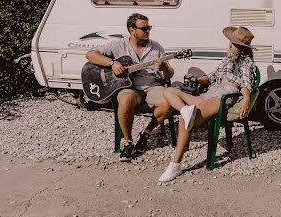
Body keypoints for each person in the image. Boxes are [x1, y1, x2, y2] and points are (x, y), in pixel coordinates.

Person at [158, 26, 256, 182]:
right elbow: (210, 77)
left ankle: (175, 165)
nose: (229, 45)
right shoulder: (227, 59)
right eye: (230, 42)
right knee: (169, 91)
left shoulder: (246, 62)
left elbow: (246, 84)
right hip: (210, 92)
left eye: (234, 44)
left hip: (225, 96)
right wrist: (197, 79)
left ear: (242, 48)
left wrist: (246, 98)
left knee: (185, 121)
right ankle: (185, 109)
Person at [86, 13, 175, 162]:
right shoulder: (118, 45)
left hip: (151, 86)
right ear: (132, 30)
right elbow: (90, 55)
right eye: (144, 28)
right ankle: (128, 142)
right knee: (125, 99)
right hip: (129, 88)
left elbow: (169, 75)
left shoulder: (156, 47)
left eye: (149, 28)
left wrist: (165, 67)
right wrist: (112, 64)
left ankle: (146, 132)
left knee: (167, 102)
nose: (148, 31)